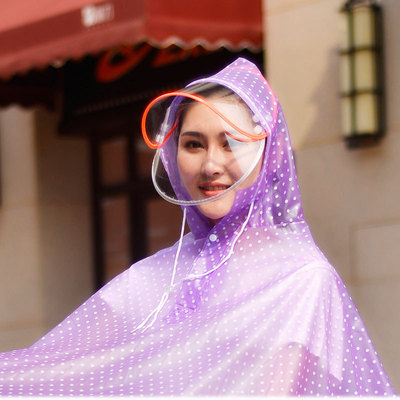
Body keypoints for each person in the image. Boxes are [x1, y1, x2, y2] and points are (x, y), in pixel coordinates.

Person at [0, 57, 396, 396]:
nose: (210, 165)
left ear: (268, 155)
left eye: (231, 143)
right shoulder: (153, 277)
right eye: (193, 144)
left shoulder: (299, 280)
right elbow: (51, 369)